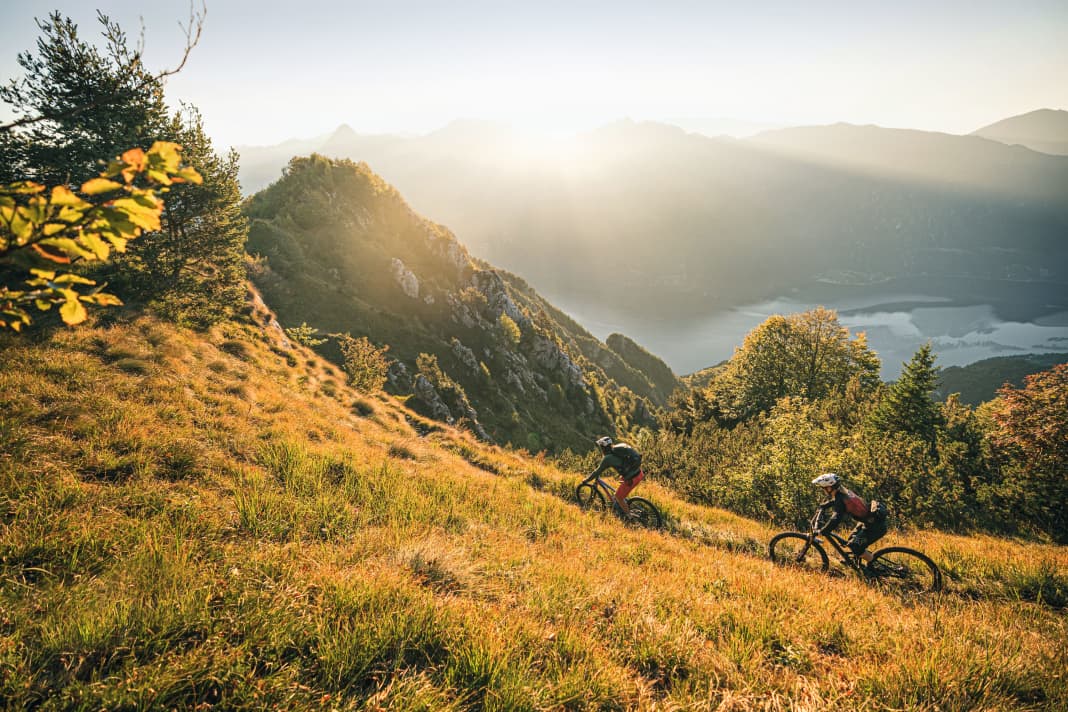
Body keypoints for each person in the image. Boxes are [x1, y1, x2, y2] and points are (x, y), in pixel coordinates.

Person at [811, 472, 888, 565]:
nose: (823, 491)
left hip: (875, 527)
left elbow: (836, 518)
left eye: (824, 488)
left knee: (855, 546)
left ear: (829, 488)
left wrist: (824, 530)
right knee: (851, 540)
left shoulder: (840, 497)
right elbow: (837, 502)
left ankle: (877, 566)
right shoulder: (843, 492)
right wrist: (824, 505)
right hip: (870, 521)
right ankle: (856, 562)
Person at [589, 436, 645, 516]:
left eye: (601, 447)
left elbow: (597, 471)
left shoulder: (607, 458)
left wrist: (587, 480)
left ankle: (629, 516)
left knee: (618, 497)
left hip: (632, 479)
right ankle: (622, 504)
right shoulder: (617, 450)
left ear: (603, 448)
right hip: (639, 473)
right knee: (620, 484)